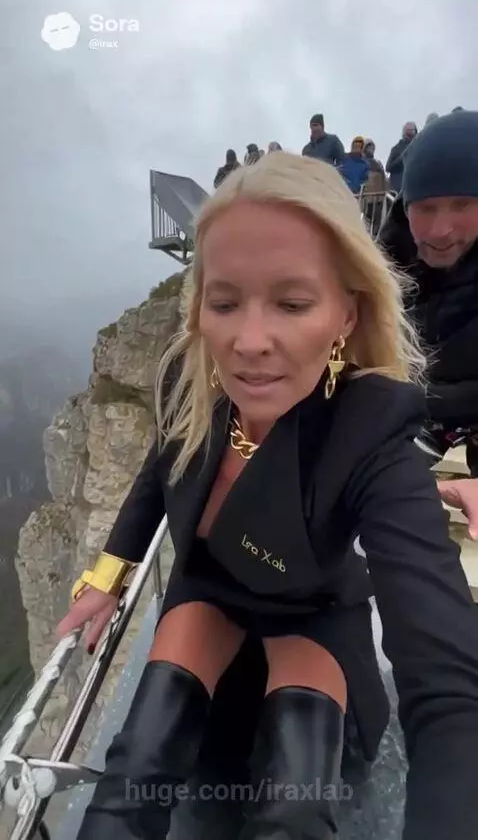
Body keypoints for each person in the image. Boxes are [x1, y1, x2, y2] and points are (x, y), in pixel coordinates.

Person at [58, 152, 478, 840]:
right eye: (225, 302)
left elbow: (444, 677)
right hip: (209, 592)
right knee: (133, 773)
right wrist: (107, 578)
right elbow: (159, 476)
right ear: (199, 309)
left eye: (291, 302)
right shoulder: (190, 384)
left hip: (307, 611)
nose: (249, 341)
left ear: (346, 312)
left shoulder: (369, 426)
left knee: (296, 800)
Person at [380, 109, 478, 477]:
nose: (440, 229)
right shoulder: (380, 268)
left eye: (462, 204)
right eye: (426, 207)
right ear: (405, 207)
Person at [362, 139, 387, 237]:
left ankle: (376, 238)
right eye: (368, 147)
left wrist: (385, 193)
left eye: (372, 147)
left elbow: (384, 179)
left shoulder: (378, 163)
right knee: (365, 222)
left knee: (377, 221)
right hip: (366, 198)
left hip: (378, 198)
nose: (371, 149)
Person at [386, 121, 418, 192]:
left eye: (412, 132)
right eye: (407, 132)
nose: (410, 135)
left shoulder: (418, 147)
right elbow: (388, 167)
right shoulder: (396, 148)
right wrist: (401, 159)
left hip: (415, 187)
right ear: (404, 133)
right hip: (399, 187)